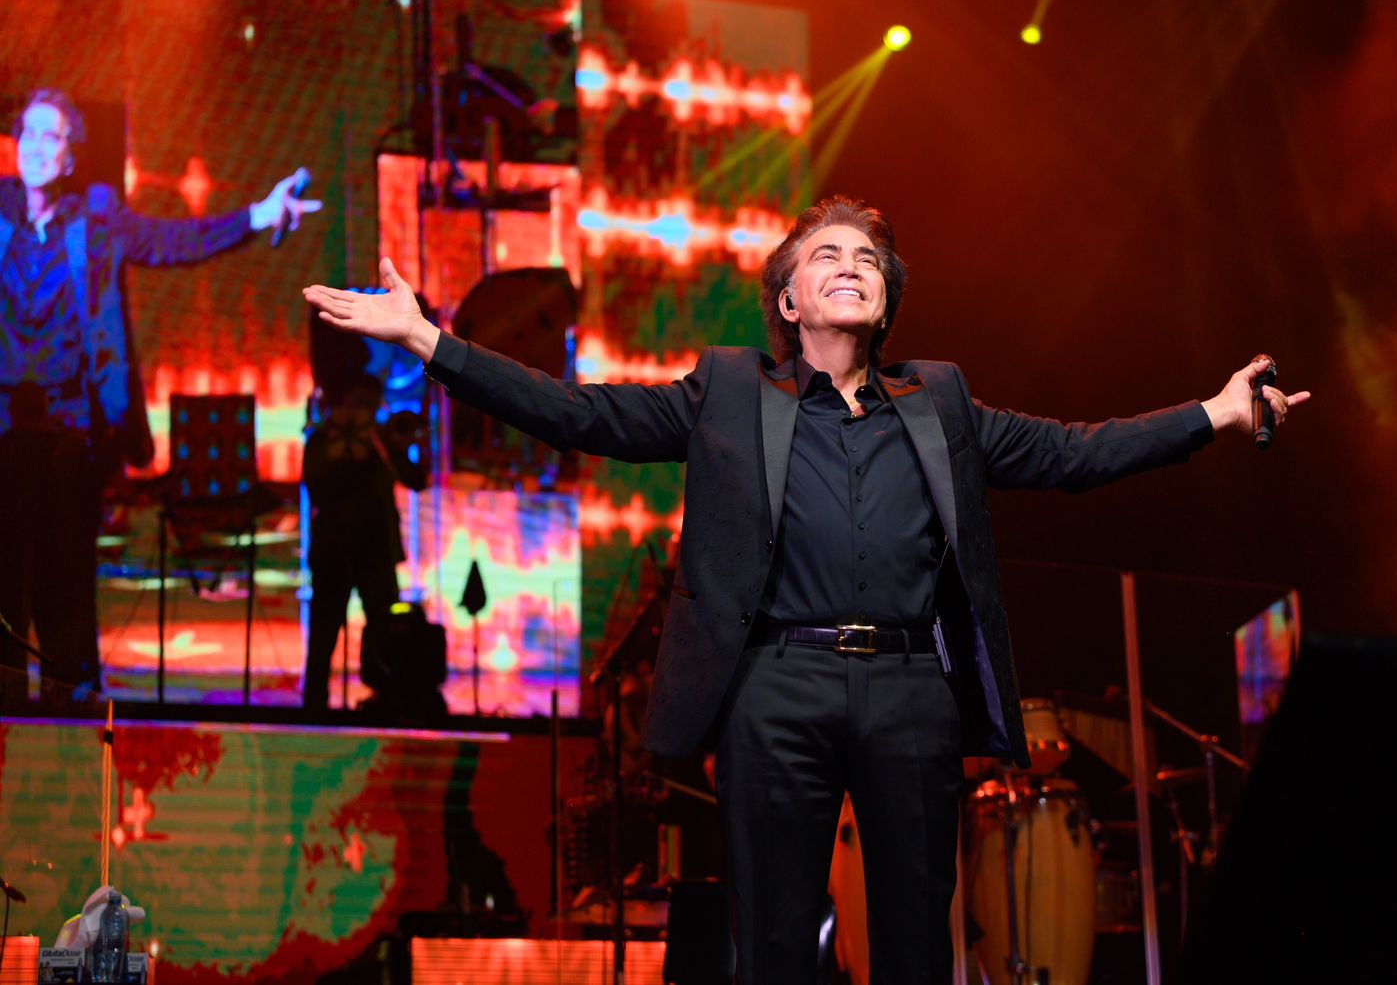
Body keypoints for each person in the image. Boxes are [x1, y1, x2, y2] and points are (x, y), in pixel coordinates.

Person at [303, 197, 1308, 982]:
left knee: (916, 943)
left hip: (911, 690)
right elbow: (580, 413)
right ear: (788, 302)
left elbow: (1075, 452)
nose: (851, 265)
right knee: (777, 943)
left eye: (867, 258)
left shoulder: (940, 401)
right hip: (775, 687)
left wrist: (1214, 413)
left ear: (886, 302)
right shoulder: (729, 392)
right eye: (826, 255)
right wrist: (432, 344)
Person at [0, 87, 322, 693]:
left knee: (65, 596)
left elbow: (172, 242)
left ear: (70, 156)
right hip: (3, 432)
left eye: (52, 137)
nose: (37, 147)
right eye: (29, 134)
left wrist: (256, 217)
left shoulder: (96, 223)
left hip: (70, 437)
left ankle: (71, 723)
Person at [301, 373, 429, 710]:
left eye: (370, 404)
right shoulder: (320, 441)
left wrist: (396, 449)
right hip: (333, 551)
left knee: (385, 628)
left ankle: (386, 696)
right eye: (359, 403)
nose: (364, 410)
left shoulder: (382, 443)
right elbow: (315, 486)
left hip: (376, 551)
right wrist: (346, 453)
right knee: (323, 632)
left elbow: (417, 480)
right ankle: (314, 704)